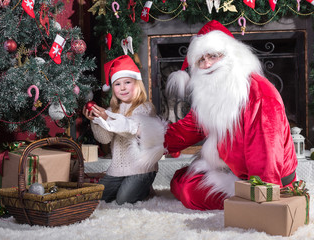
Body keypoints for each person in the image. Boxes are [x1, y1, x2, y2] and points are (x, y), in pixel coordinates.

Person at [164, 20, 297, 210]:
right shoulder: (212, 94)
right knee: (179, 179)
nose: (207, 64)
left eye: (213, 56)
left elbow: (266, 153)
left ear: (232, 55)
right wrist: (149, 139)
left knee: (187, 192)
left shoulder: (258, 93)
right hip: (235, 172)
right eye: (201, 60)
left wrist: (264, 197)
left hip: (268, 181)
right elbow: (187, 129)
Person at [83, 55, 166, 204]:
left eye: (127, 82)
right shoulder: (111, 110)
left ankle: (145, 188)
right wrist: (96, 121)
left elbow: (130, 127)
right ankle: (129, 187)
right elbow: (105, 139)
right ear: (113, 88)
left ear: (137, 84)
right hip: (117, 170)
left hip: (142, 169)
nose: (122, 88)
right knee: (97, 198)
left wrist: (107, 118)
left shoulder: (146, 108)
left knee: (123, 200)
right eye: (117, 84)